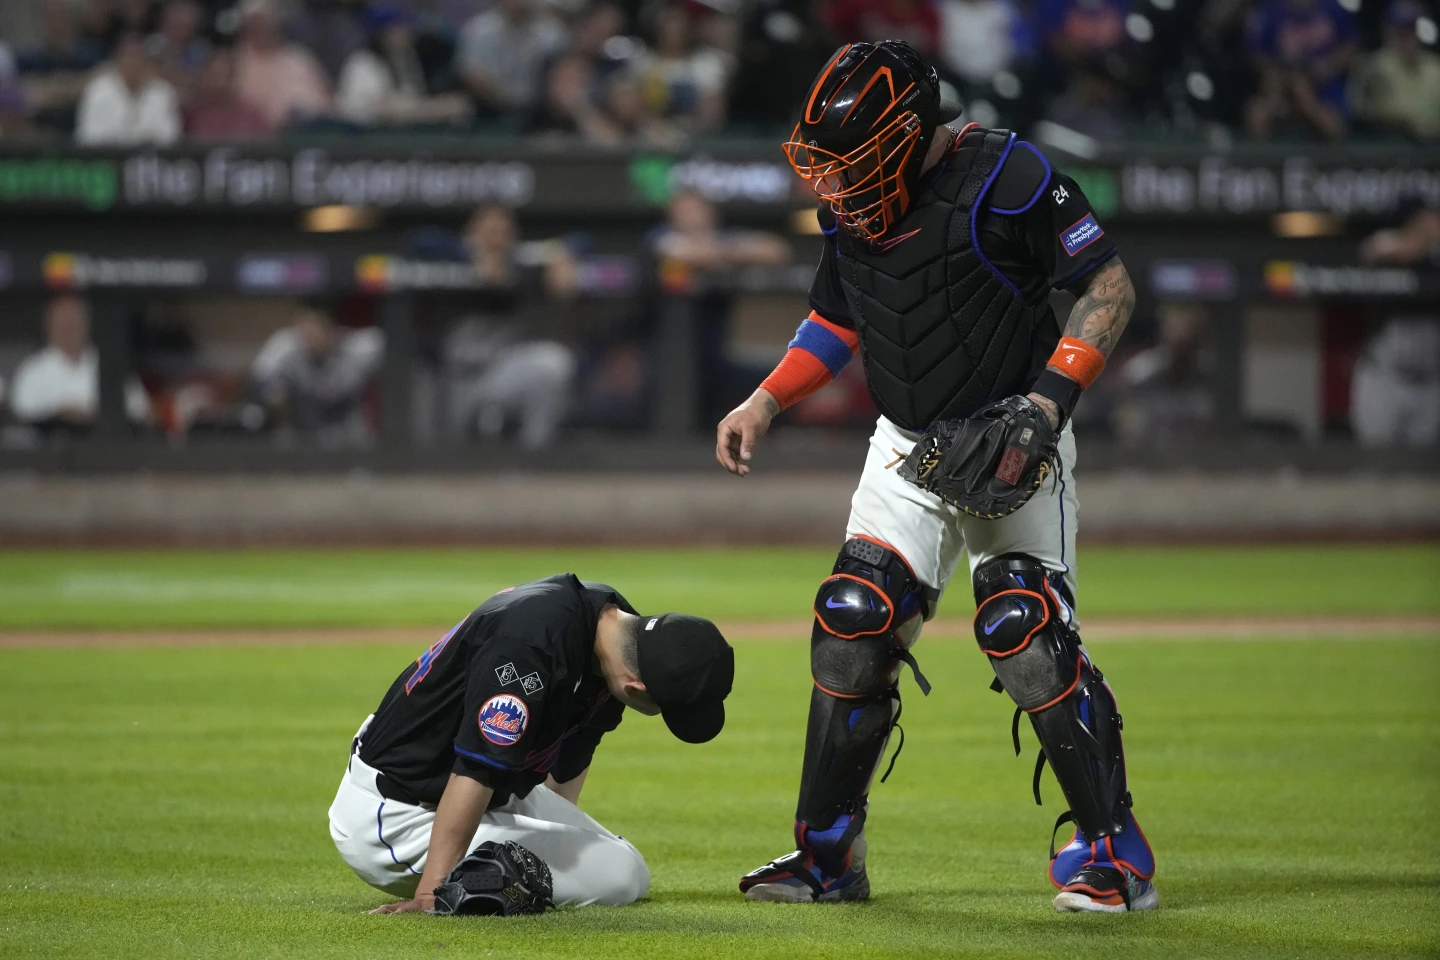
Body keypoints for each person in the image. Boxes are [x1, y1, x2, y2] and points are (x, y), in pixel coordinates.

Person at [715, 41, 1155, 912]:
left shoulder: (1010, 174)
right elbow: (835, 322)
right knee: (850, 617)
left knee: (1022, 628)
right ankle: (828, 856)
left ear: (907, 133)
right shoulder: (852, 209)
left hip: (1014, 438)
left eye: (853, 157)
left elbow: (1108, 289)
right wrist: (766, 400)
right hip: (905, 448)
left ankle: (1114, 850)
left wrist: (1043, 409)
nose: (834, 181)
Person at [329, 574, 734, 911]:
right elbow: (478, 766)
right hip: (398, 815)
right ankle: (457, 883)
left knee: (621, 863)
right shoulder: (529, 644)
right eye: (664, 708)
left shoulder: (609, 622)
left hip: (477, 790)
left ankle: (496, 866)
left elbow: (579, 743)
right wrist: (430, 893)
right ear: (636, 686)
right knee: (622, 876)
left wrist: (556, 831)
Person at [250, 302, 384, 447]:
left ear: (332, 328)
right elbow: (260, 381)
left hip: (353, 443)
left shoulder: (359, 348)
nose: (309, 335)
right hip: (303, 444)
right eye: (303, 327)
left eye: (316, 326)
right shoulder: (285, 347)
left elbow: (401, 357)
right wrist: (277, 396)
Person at [8, 295, 150, 428]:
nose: (68, 332)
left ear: (87, 325)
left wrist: (95, 415)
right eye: (62, 325)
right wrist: (62, 415)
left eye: (74, 324)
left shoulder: (112, 366)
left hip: (106, 446)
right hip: (47, 449)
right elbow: (20, 419)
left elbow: (141, 412)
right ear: (48, 327)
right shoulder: (32, 371)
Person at [336, 4, 471, 127]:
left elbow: (411, 100)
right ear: (381, 34)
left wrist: (438, 106)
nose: (407, 33)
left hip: (395, 138)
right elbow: (383, 110)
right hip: (359, 140)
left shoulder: (405, 59)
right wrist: (435, 108)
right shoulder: (362, 62)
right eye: (398, 28)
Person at [1245, 0, 1358, 141]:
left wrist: (1327, 66)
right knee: (1259, 113)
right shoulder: (1270, 11)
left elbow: (1351, 46)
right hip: (1282, 82)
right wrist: (1277, 77)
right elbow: (1256, 53)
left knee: (1330, 120)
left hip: (1323, 84)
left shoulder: (1333, 8)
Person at [455, 0, 567, 116]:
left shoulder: (553, 33)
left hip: (541, 111)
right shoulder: (479, 30)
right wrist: (504, 99)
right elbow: (472, 76)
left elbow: (563, 77)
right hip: (489, 107)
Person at [233, 0, 331, 130]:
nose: (262, 30)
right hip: (261, 138)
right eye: (256, 25)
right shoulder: (237, 63)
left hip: (310, 132)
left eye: (266, 23)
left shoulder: (299, 58)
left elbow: (327, 101)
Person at [1350, 0, 1440, 139]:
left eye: (1411, 30)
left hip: (1433, 147)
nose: (1407, 37)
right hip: (1391, 146)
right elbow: (1363, 114)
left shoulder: (1434, 67)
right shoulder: (1374, 67)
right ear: (1388, 31)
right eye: (1401, 30)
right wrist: (1400, 121)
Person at [74, 31, 180, 145]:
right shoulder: (97, 91)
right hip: (107, 159)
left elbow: (170, 135)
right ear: (118, 61)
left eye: (138, 57)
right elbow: (89, 135)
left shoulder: (163, 92)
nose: (133, 63)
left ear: (146, 62)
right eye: (129, 57)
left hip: (151, 159)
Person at [183, 46, 273, 140]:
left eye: (225, 76)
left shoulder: (253, 115)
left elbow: (268, 149)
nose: (219, 83)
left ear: (234, 78)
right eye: (214, 76)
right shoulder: (191, 115)